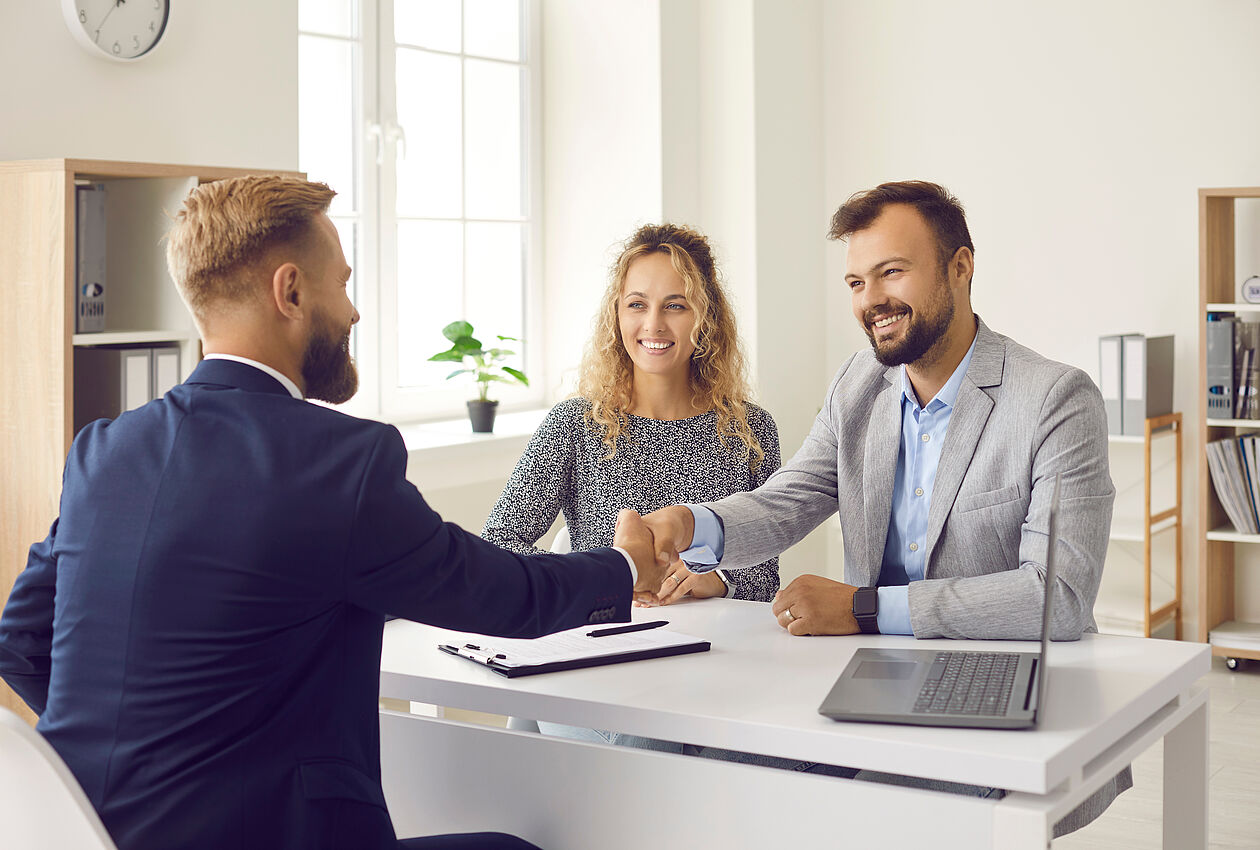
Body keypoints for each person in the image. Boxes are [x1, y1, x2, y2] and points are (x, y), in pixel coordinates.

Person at [0, 176, 665, 850]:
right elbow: (505, 598)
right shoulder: (336, 462)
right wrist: (622, 564)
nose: (352, 312)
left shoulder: (105, 451)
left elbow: (21, 638)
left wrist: (159, 765)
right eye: (342, 284)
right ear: (290, 292)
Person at [640, 181, 1127, 835]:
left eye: (891, 273)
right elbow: (789, 501)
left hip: (1005, 688)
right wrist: (687, 523)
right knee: (723, 772)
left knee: (865, 819)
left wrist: (862, 608)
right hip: (877, 682)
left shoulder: (1054, 400)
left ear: (960, 268)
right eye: (855, 283)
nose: (871, 301)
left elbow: (1058, 599)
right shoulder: (858, 384)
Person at [483, 223, 780, 606]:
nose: (653, 324)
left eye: (675, 305)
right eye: (637, 304)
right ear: (617, 315)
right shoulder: (575, 424)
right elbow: (499, 544)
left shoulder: (749, 430)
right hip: (605, 641)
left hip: (715, 648)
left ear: (706, 317)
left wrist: (716, 579)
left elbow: (765, 578)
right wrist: (594, 577)